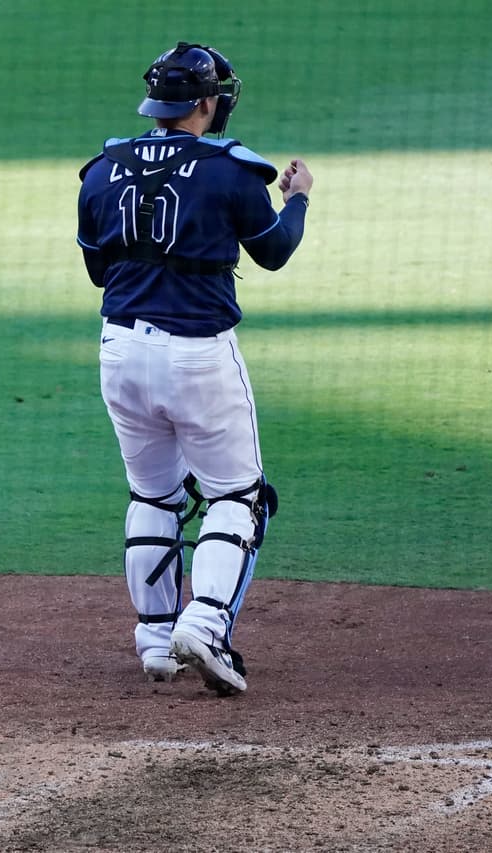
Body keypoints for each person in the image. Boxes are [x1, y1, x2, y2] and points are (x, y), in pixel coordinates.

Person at [76, 43, 313, 696]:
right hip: (198, 354)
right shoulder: (233, 170)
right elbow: (273, 252)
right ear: (208, 102)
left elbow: (98, 268)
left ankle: (155, 639)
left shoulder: (101, 169)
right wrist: (297, 200)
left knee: (154, 494)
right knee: (237, 495)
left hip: (119, 351)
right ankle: (204, 624)